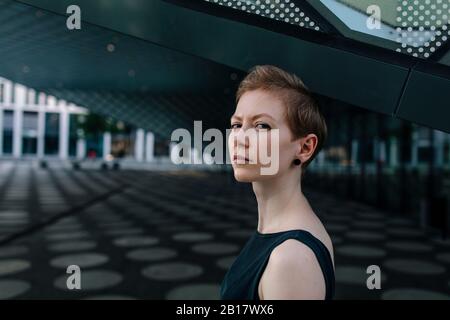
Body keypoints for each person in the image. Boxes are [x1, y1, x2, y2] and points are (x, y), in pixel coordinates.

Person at [220, 65, 335, 300]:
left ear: (304, 148)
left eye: (262, 125)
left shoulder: (290, 258)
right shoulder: (278, 233)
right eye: (236, 125)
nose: (240, 138)